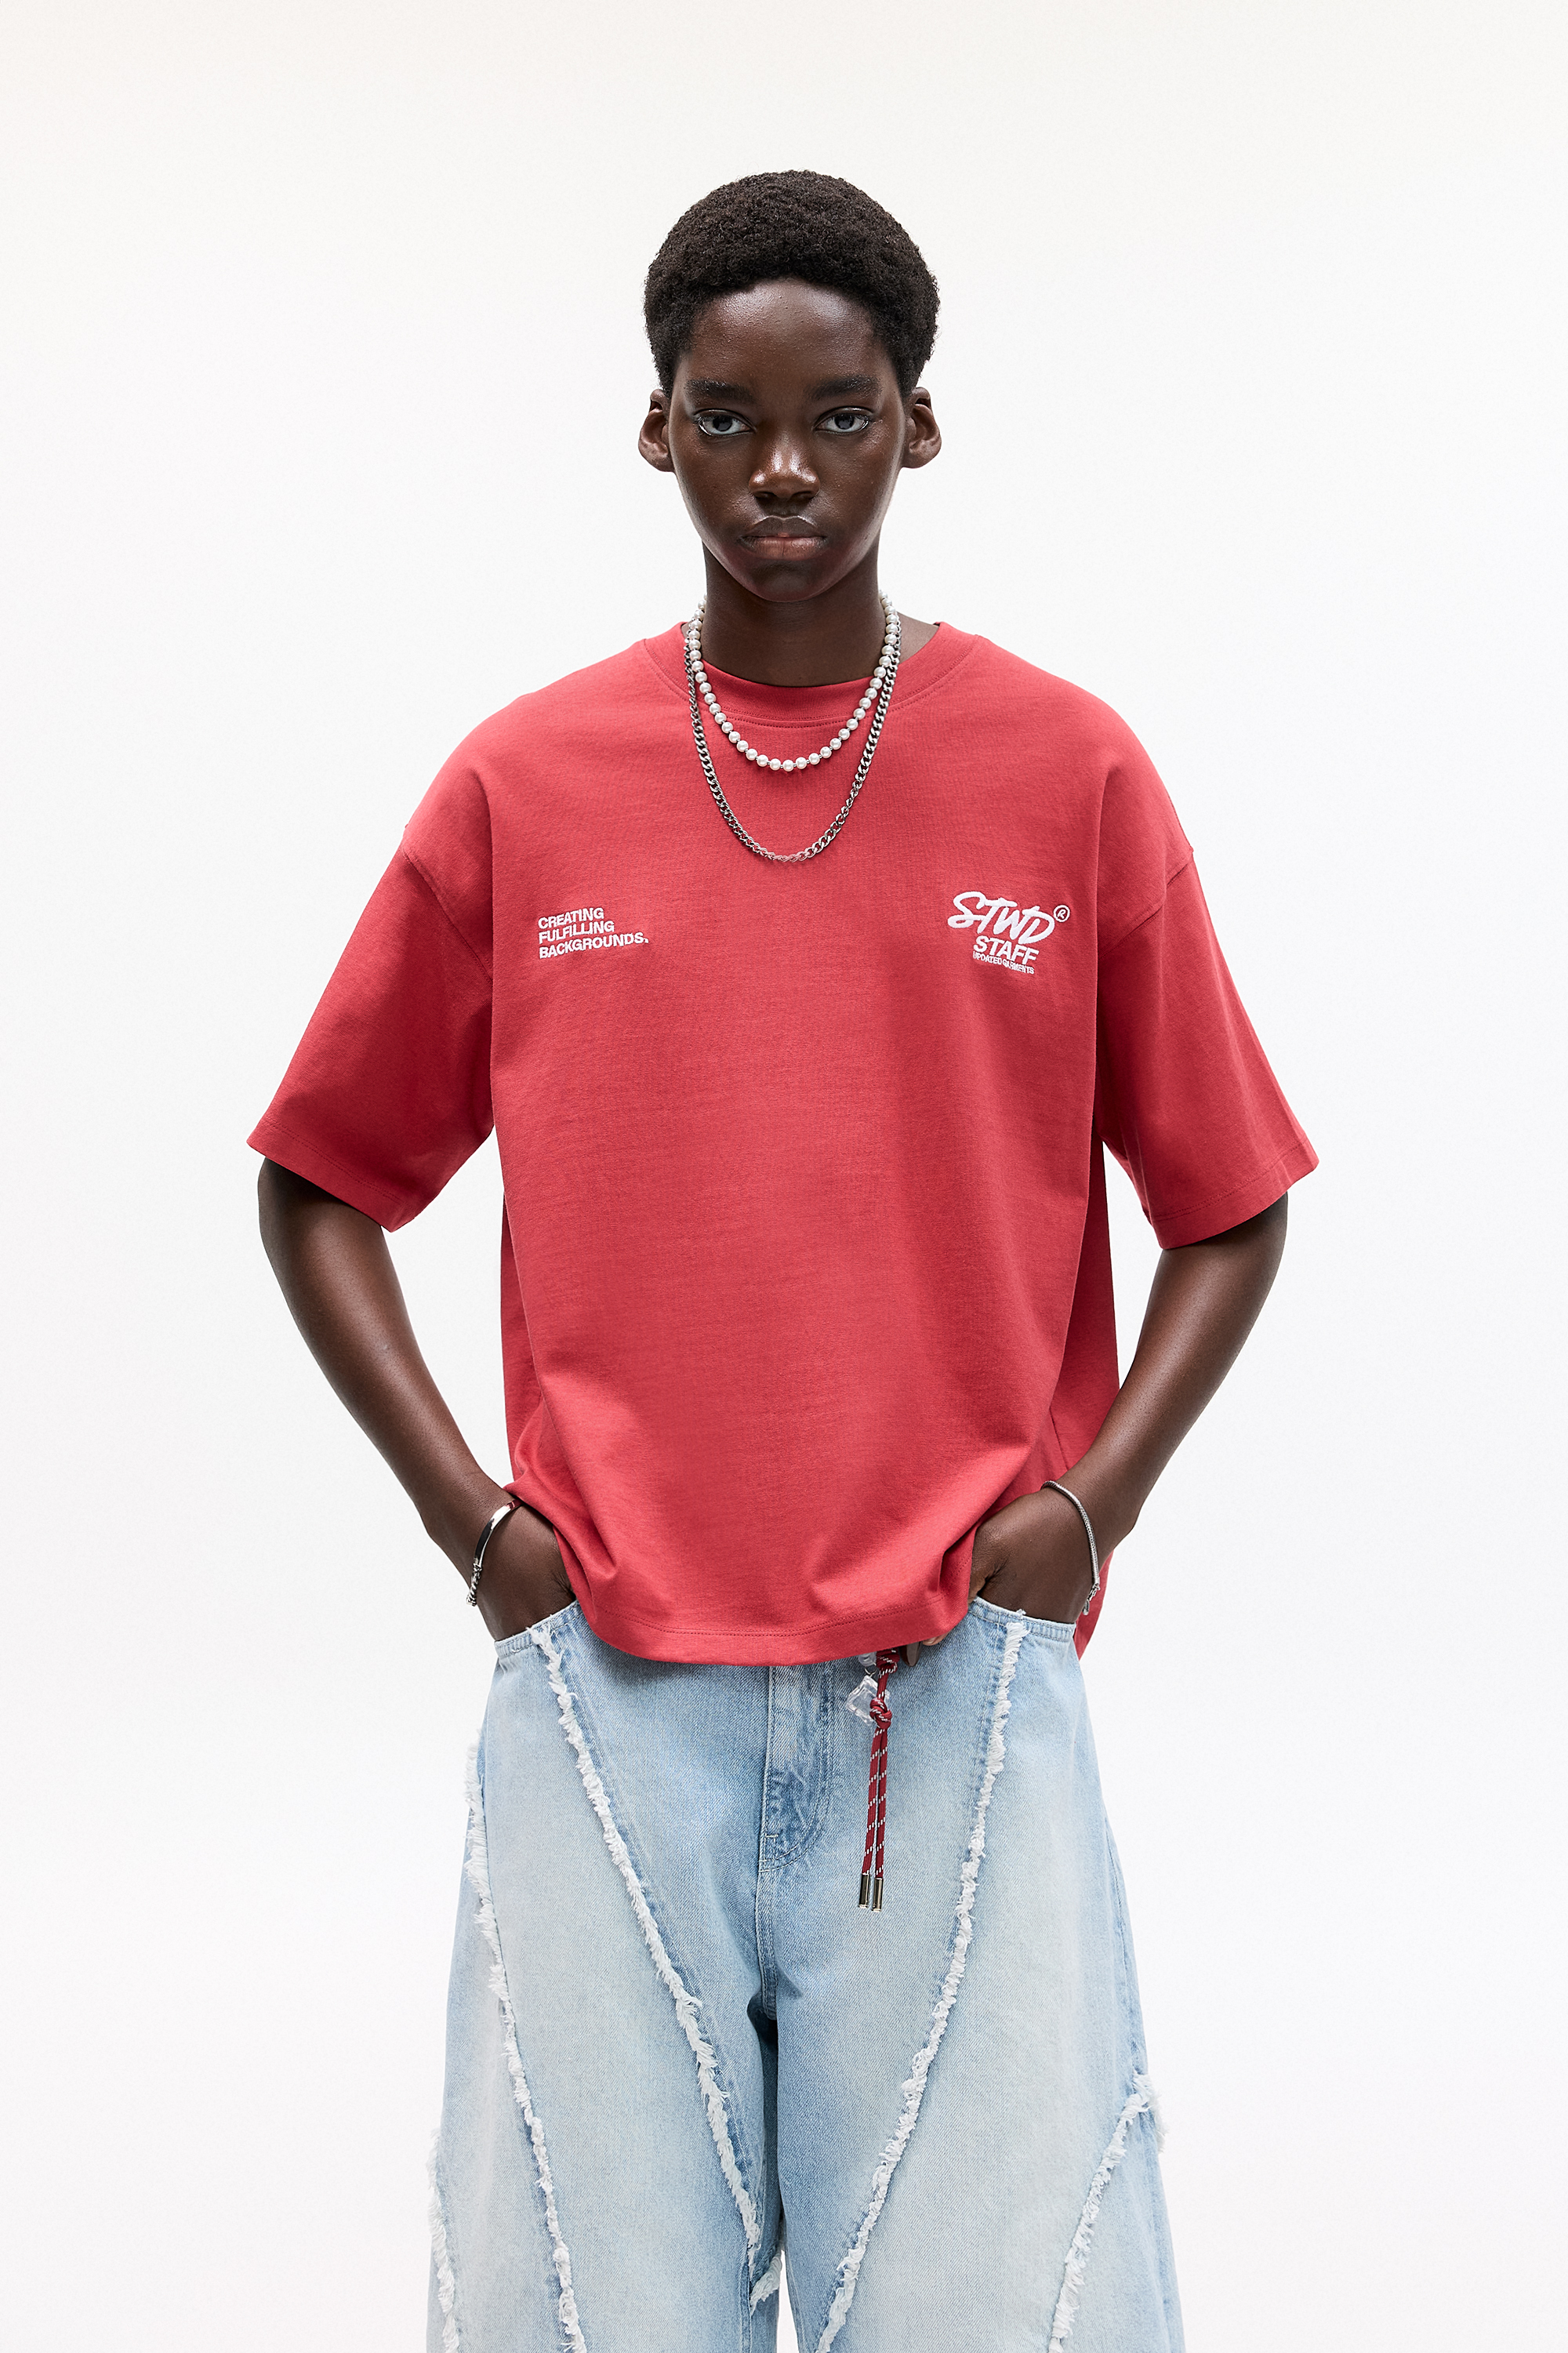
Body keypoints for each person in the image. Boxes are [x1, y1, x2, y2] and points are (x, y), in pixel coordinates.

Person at [252, 171, 1316, 2353]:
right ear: (656, 428)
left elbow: (1230, 1198)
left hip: (960, 1680)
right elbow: (320, 1177)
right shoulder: (527, 785)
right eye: (727, 420)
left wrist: (1088, 1511)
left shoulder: (1068, 773)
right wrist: (476, 1525)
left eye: (838, 416)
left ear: (918, 423)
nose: (785, 474)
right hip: (605, 1684)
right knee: (581, 2312)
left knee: (1000, 2309)